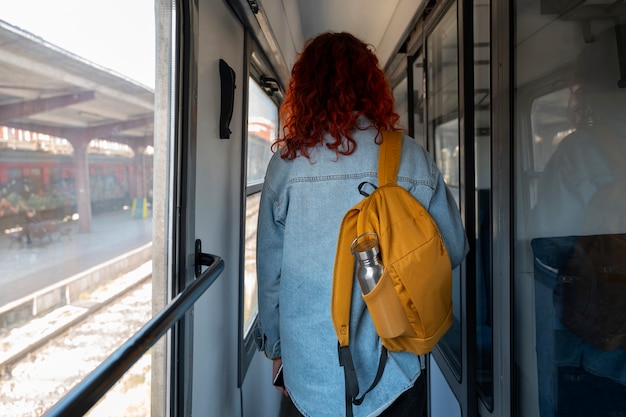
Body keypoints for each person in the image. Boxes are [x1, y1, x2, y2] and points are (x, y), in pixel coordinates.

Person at [255, 32, 469, 417]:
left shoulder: (284, 167)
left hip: (308, 377)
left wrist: (277, 352)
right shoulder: (410, 157)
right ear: (372, 86)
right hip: (395, 374)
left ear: (303, 91)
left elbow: (271, 279)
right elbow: (452, 248)